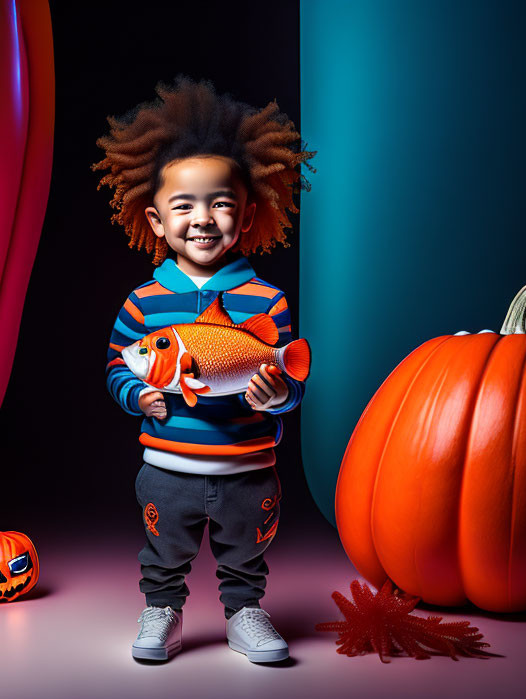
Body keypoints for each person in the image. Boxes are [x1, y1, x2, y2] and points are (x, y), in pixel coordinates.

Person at [95, 77, 314, 663]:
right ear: (156, 219)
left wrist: (276, 397)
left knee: (246, 550)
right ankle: (162, 609)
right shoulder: (143, 302)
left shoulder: (266, 301)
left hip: (249, 463)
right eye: (183, 205)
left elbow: (289, 383)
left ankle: (246, 612)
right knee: (162, 549)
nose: (202, 218)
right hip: (168, 463)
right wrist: (136, 397)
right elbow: (118, 365)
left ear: (245, 218)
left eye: (220, 203)